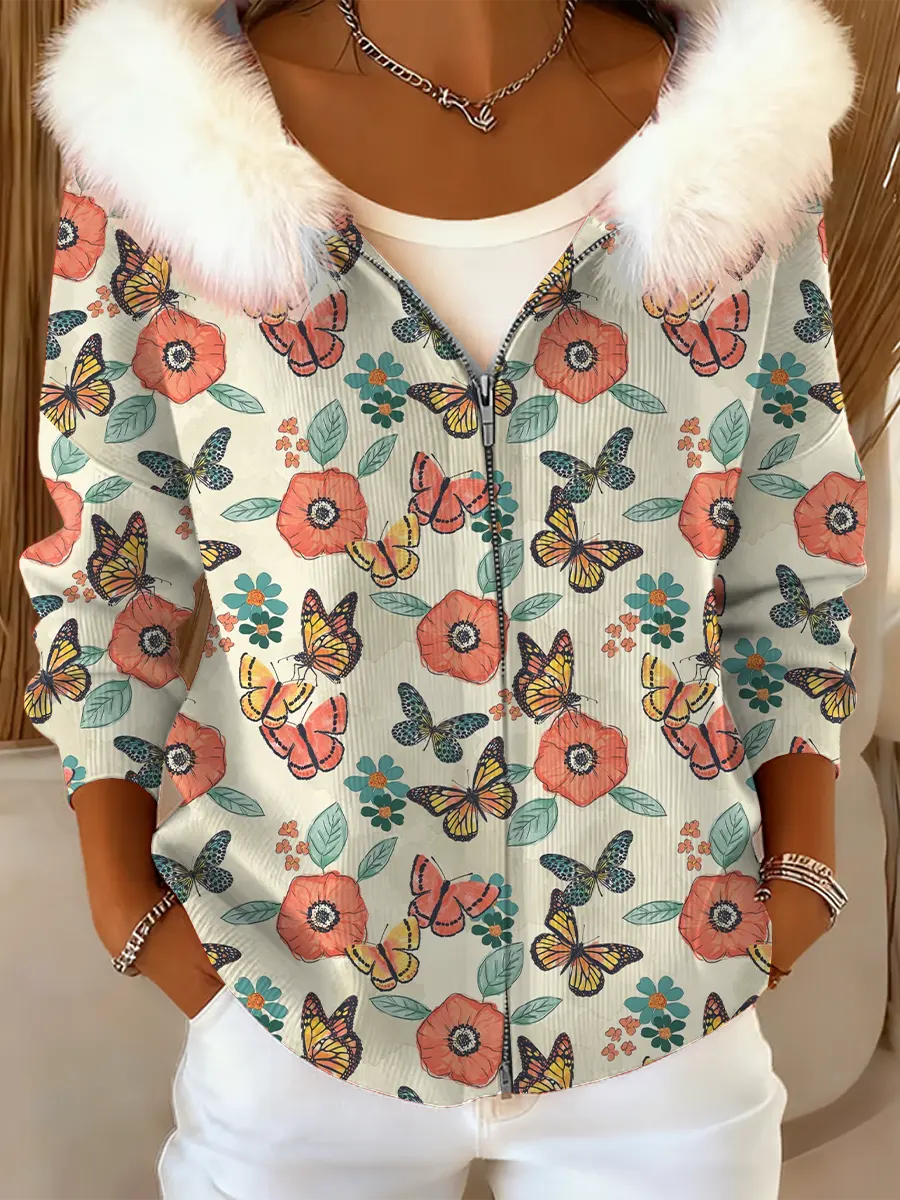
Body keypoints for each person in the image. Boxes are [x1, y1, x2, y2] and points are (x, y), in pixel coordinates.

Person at [21, 0, 865, 1196]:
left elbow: (796, 528)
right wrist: (129, 911)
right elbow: (107, 558)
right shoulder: (159, 140)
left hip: (669, 1008)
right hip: (294, 999)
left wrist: (803, 879)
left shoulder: (739, 130)